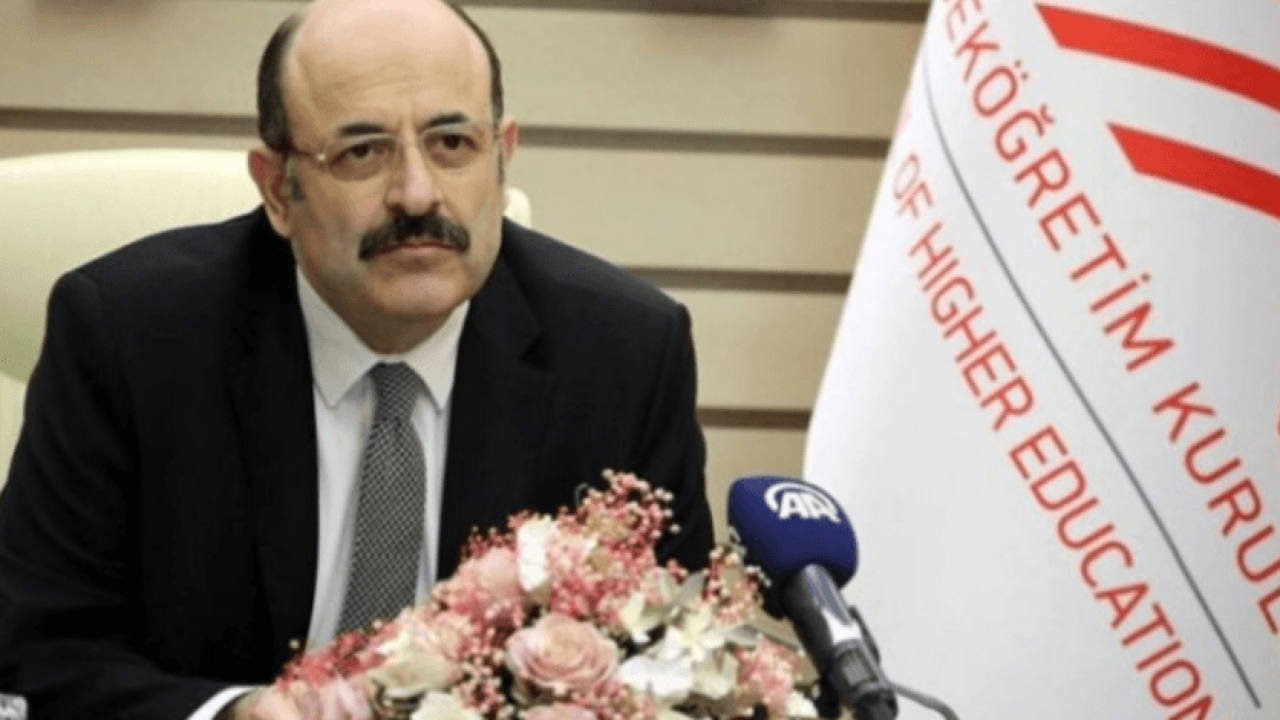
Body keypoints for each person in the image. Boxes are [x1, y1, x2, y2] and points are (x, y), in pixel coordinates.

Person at [0, 0, 714, 718]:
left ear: (502, 158)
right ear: (278, 190)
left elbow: (678, 665)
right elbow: (35, 648)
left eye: (453, 143)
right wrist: (234, 714)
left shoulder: (624, 355)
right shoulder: (129, 338)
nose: (417, 193)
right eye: (363, 152)